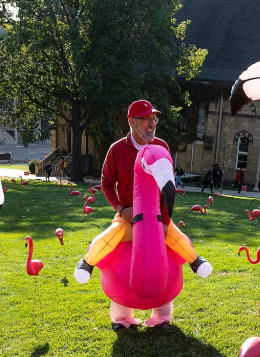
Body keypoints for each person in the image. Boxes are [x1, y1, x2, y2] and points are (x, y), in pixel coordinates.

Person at [74, 99, 211, 283]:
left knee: (174, 235)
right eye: (146, 119)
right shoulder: (117, 149)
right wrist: (121, 210)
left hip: (154, 213)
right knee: (113, 233)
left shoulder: (161, 146)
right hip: (128, 214)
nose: (152, 123)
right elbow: (106, 183)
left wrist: (165, 219)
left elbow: (167, 184)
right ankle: (87, 262)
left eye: (153, 118)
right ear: (131, 121)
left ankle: (194, 261)